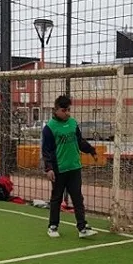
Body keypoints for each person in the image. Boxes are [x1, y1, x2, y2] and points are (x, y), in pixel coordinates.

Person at [41, 95, 98, 238]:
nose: (67, 113)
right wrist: (49, 168)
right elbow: (46, 150)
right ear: (56, 110)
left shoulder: (73, 123)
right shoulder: (49, 128)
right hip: (59, 169)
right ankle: (53, 226)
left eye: (69, 110)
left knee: (78, 198)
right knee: (56, 197)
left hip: (74, 167)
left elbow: (79, 141)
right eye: (64, 110)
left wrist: (91, 150)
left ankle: (82, 227)